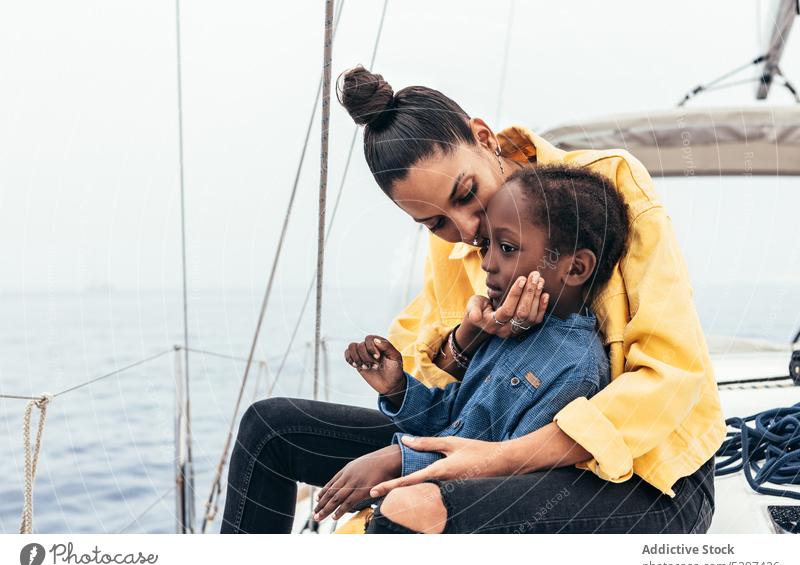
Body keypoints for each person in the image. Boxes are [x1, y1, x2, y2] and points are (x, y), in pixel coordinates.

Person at [220, 66, 725, 534]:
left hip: (644, 479)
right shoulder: (456, 249)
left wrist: (458, 462)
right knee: (270, 430)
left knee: (411, 509)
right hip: (480, 435)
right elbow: (436, 383)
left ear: (483, 138)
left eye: (465, 195)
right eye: (435, 222)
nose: (465, 230)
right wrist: (470, 338)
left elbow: (672, 376)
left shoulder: (608, 184)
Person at [312, 165, 629, 521]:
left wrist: (398, 461)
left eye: (507, 248)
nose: (488, 264)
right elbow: (453, 417)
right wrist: (398, 388)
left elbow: (502, 465)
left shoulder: (575, 368)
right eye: (488, 246)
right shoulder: (508, 327)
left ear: (574, 269)